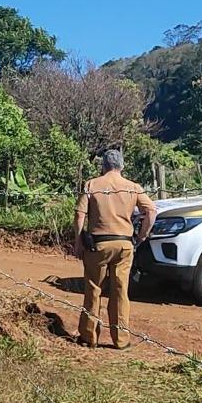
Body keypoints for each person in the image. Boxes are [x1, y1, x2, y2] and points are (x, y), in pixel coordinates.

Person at [73, 149, 157, 349]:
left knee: (94, 289)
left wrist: (78, 241)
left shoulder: (92, 184)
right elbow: (151, 211)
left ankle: (89, 337)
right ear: (122, 166)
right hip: (124, 244)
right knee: (120, 291)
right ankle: (121, 340)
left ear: (103, 166)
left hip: (98, 245)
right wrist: (142, 236)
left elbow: (79, 215)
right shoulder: (132, 187)